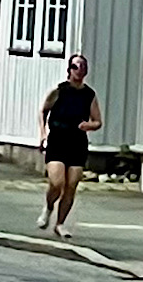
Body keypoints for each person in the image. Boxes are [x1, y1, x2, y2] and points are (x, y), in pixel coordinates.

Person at [37, 54, 101, 237]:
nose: (78, 71)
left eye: (82, 68)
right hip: (58, 139)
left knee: (72, 184)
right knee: (57, 183)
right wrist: (43, 134)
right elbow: (43, 111)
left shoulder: (89, 95)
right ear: (69, 70)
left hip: (77, 141)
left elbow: (98, 121)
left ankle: (60, 223)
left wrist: (89, 125)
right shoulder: (59, 91)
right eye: (75, 67)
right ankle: (49, 207)